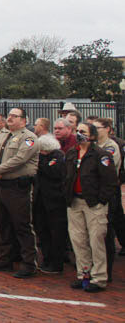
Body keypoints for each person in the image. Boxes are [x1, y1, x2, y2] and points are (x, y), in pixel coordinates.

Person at [0, 108, 39, 278]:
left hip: (18, 187)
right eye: (9, 116)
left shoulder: (28, 138)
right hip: (1, 185)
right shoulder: (2, 135)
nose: (10, 118)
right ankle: (4, 259)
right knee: (3, 223)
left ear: (23, 120)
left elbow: (20, 159)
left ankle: (29, 263)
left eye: (14, 116)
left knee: (22, 225)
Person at [65, 122, 118, 292]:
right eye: (78, 131)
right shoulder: (72, 153)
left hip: (94, 204)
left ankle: (99, 277)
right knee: (78, 240)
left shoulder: (101, 155)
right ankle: (83, 274)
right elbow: (67, 176)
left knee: (96, 240)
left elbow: (110, 182)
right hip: (75, 203)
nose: (79, 134)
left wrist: (101, 200)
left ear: (92, 136)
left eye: (83, 132)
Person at [92, 117, 124, 283]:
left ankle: (106, 271)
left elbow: (108, 172)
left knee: (106, 233)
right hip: (93, 194)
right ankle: (94, 269)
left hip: (106, 194)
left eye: (97, 127)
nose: (94, 130)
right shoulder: (94, 146)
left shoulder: (111, 147)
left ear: (108, 129)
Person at [32, 117, 66, 274]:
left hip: (54, 200)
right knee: (42, 229)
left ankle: (56, 262)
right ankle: (46, 258)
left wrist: (41, 163)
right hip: (41, 199)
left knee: (56, 232)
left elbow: (52, 171)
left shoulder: (57, 157)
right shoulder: (43, 158)